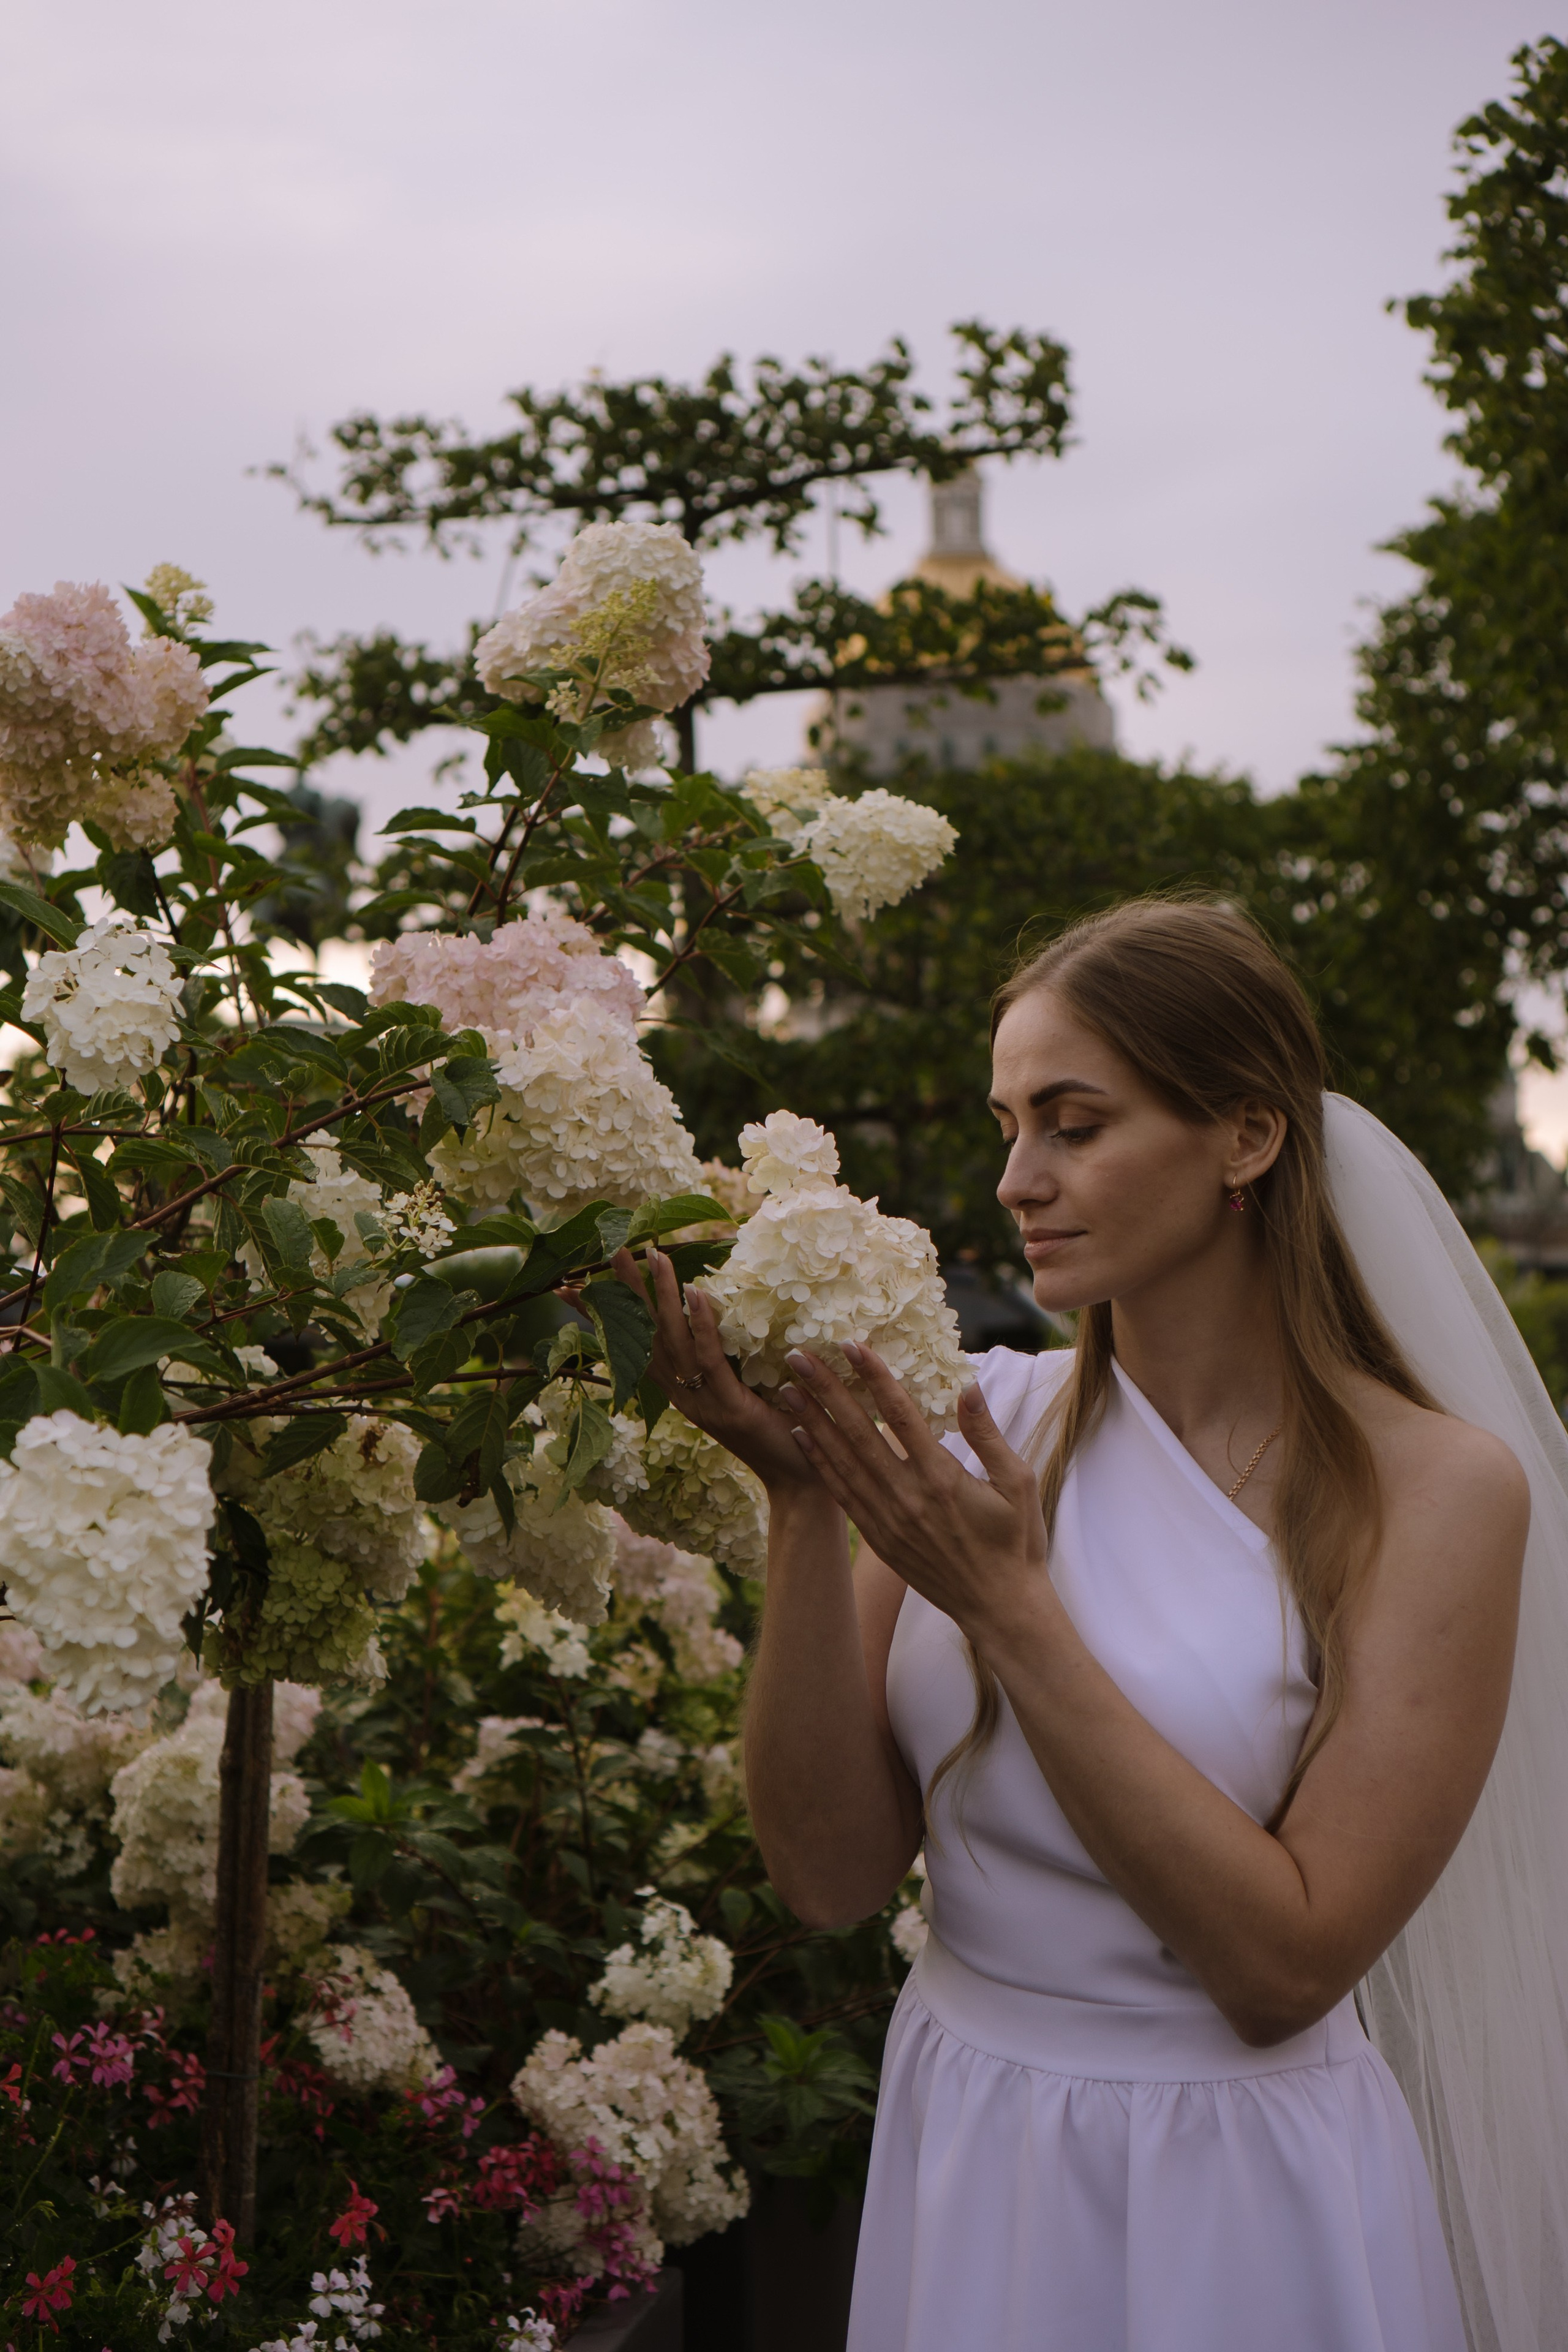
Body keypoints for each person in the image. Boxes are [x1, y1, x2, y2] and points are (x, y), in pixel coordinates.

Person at [623, 899, 1568, 2351]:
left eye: (1072, 1124)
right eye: (1010, 1124)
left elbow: (1282, 1971)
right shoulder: (976, 1420)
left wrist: (1011, 1609)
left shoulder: (1434, 1492)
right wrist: (804, 1512)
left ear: (1242, 1139)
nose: (1015, 1178)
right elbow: (826, 1876)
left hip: (1236, 2184)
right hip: (971, 2142)